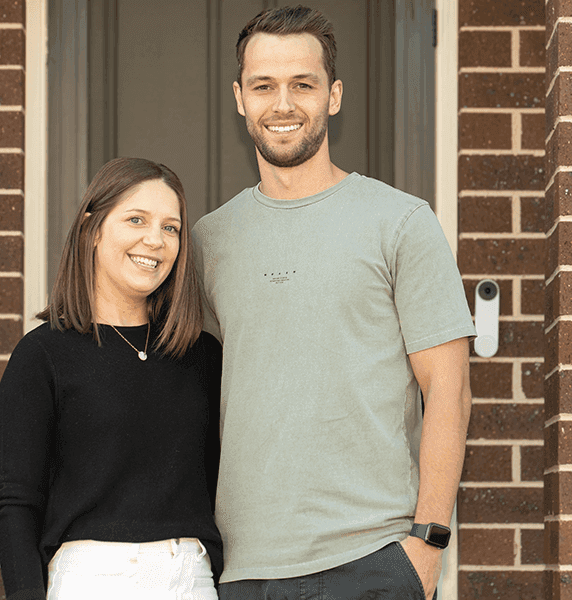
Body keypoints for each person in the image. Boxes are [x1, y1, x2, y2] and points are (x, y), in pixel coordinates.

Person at [191, 6, 475, 599]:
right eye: (264, 86)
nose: (284, 104)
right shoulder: (207, 242)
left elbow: (447, 388)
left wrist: (428, 542)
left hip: (372, 557)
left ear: (334, 96)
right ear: (239, 98)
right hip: (245, 567)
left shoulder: (401, 222)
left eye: (304, 84)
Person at [0, 157, 224, 600]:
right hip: (90, 581)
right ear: (93, 229)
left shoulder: (202, 356)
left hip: (190, 579)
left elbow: (224, 486)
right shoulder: (42, 355)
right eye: (136, 219)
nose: (154, 240)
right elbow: (16, 501)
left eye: (170, 228)